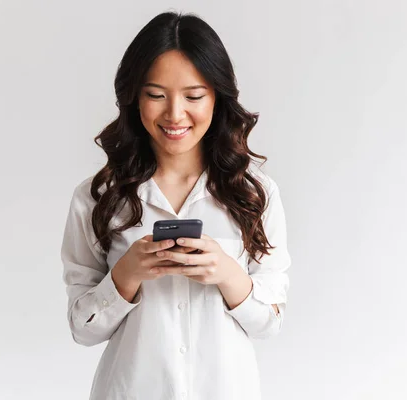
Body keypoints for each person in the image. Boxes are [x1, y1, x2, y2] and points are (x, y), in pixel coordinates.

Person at [60, 10, 291, 400]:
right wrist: (126, 275)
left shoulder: (255, 195)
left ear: (218, 96)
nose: (174, 114)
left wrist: (228, 274)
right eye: (155, 95)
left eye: (194, 96)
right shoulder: (98, 198)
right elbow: (83, 329)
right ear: (134, 97)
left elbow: (269, 323)